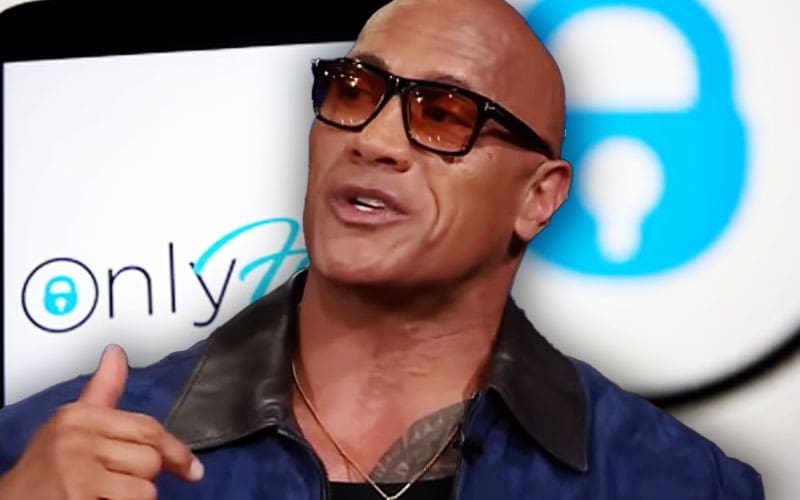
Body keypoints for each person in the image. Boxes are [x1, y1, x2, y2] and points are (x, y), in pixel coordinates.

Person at [0, 0, 764, 498]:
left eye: (444, 114)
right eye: (355, 91)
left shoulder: (677, 482)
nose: (372, 140)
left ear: (539, 197)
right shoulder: (46, 450)